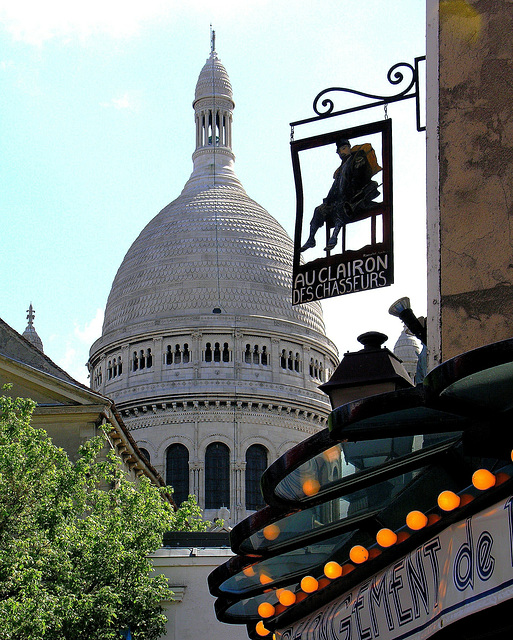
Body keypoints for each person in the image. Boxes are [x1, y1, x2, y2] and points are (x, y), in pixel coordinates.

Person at [300, 138, 381, 252]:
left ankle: (334, 237)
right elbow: (335, 186)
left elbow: (359, 177)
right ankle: (311, 238)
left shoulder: (357, 158)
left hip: (352, 197)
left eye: (343, 149)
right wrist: (327, 201)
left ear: (348, 147)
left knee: (340, 209)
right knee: (318, 210)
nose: (342, 152)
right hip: (337, 199)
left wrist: (352, 191)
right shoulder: (340, 169)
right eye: (339, 151)